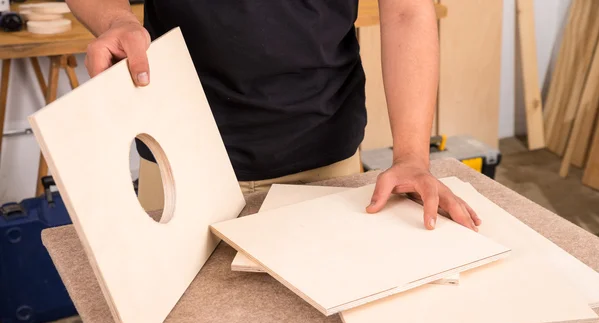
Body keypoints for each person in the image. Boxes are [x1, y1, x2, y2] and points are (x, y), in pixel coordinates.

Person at [66, 0, 481, 232]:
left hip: (324, 159)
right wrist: (116, 19)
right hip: (179, 157)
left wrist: (411, 157)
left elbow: (407, 11)